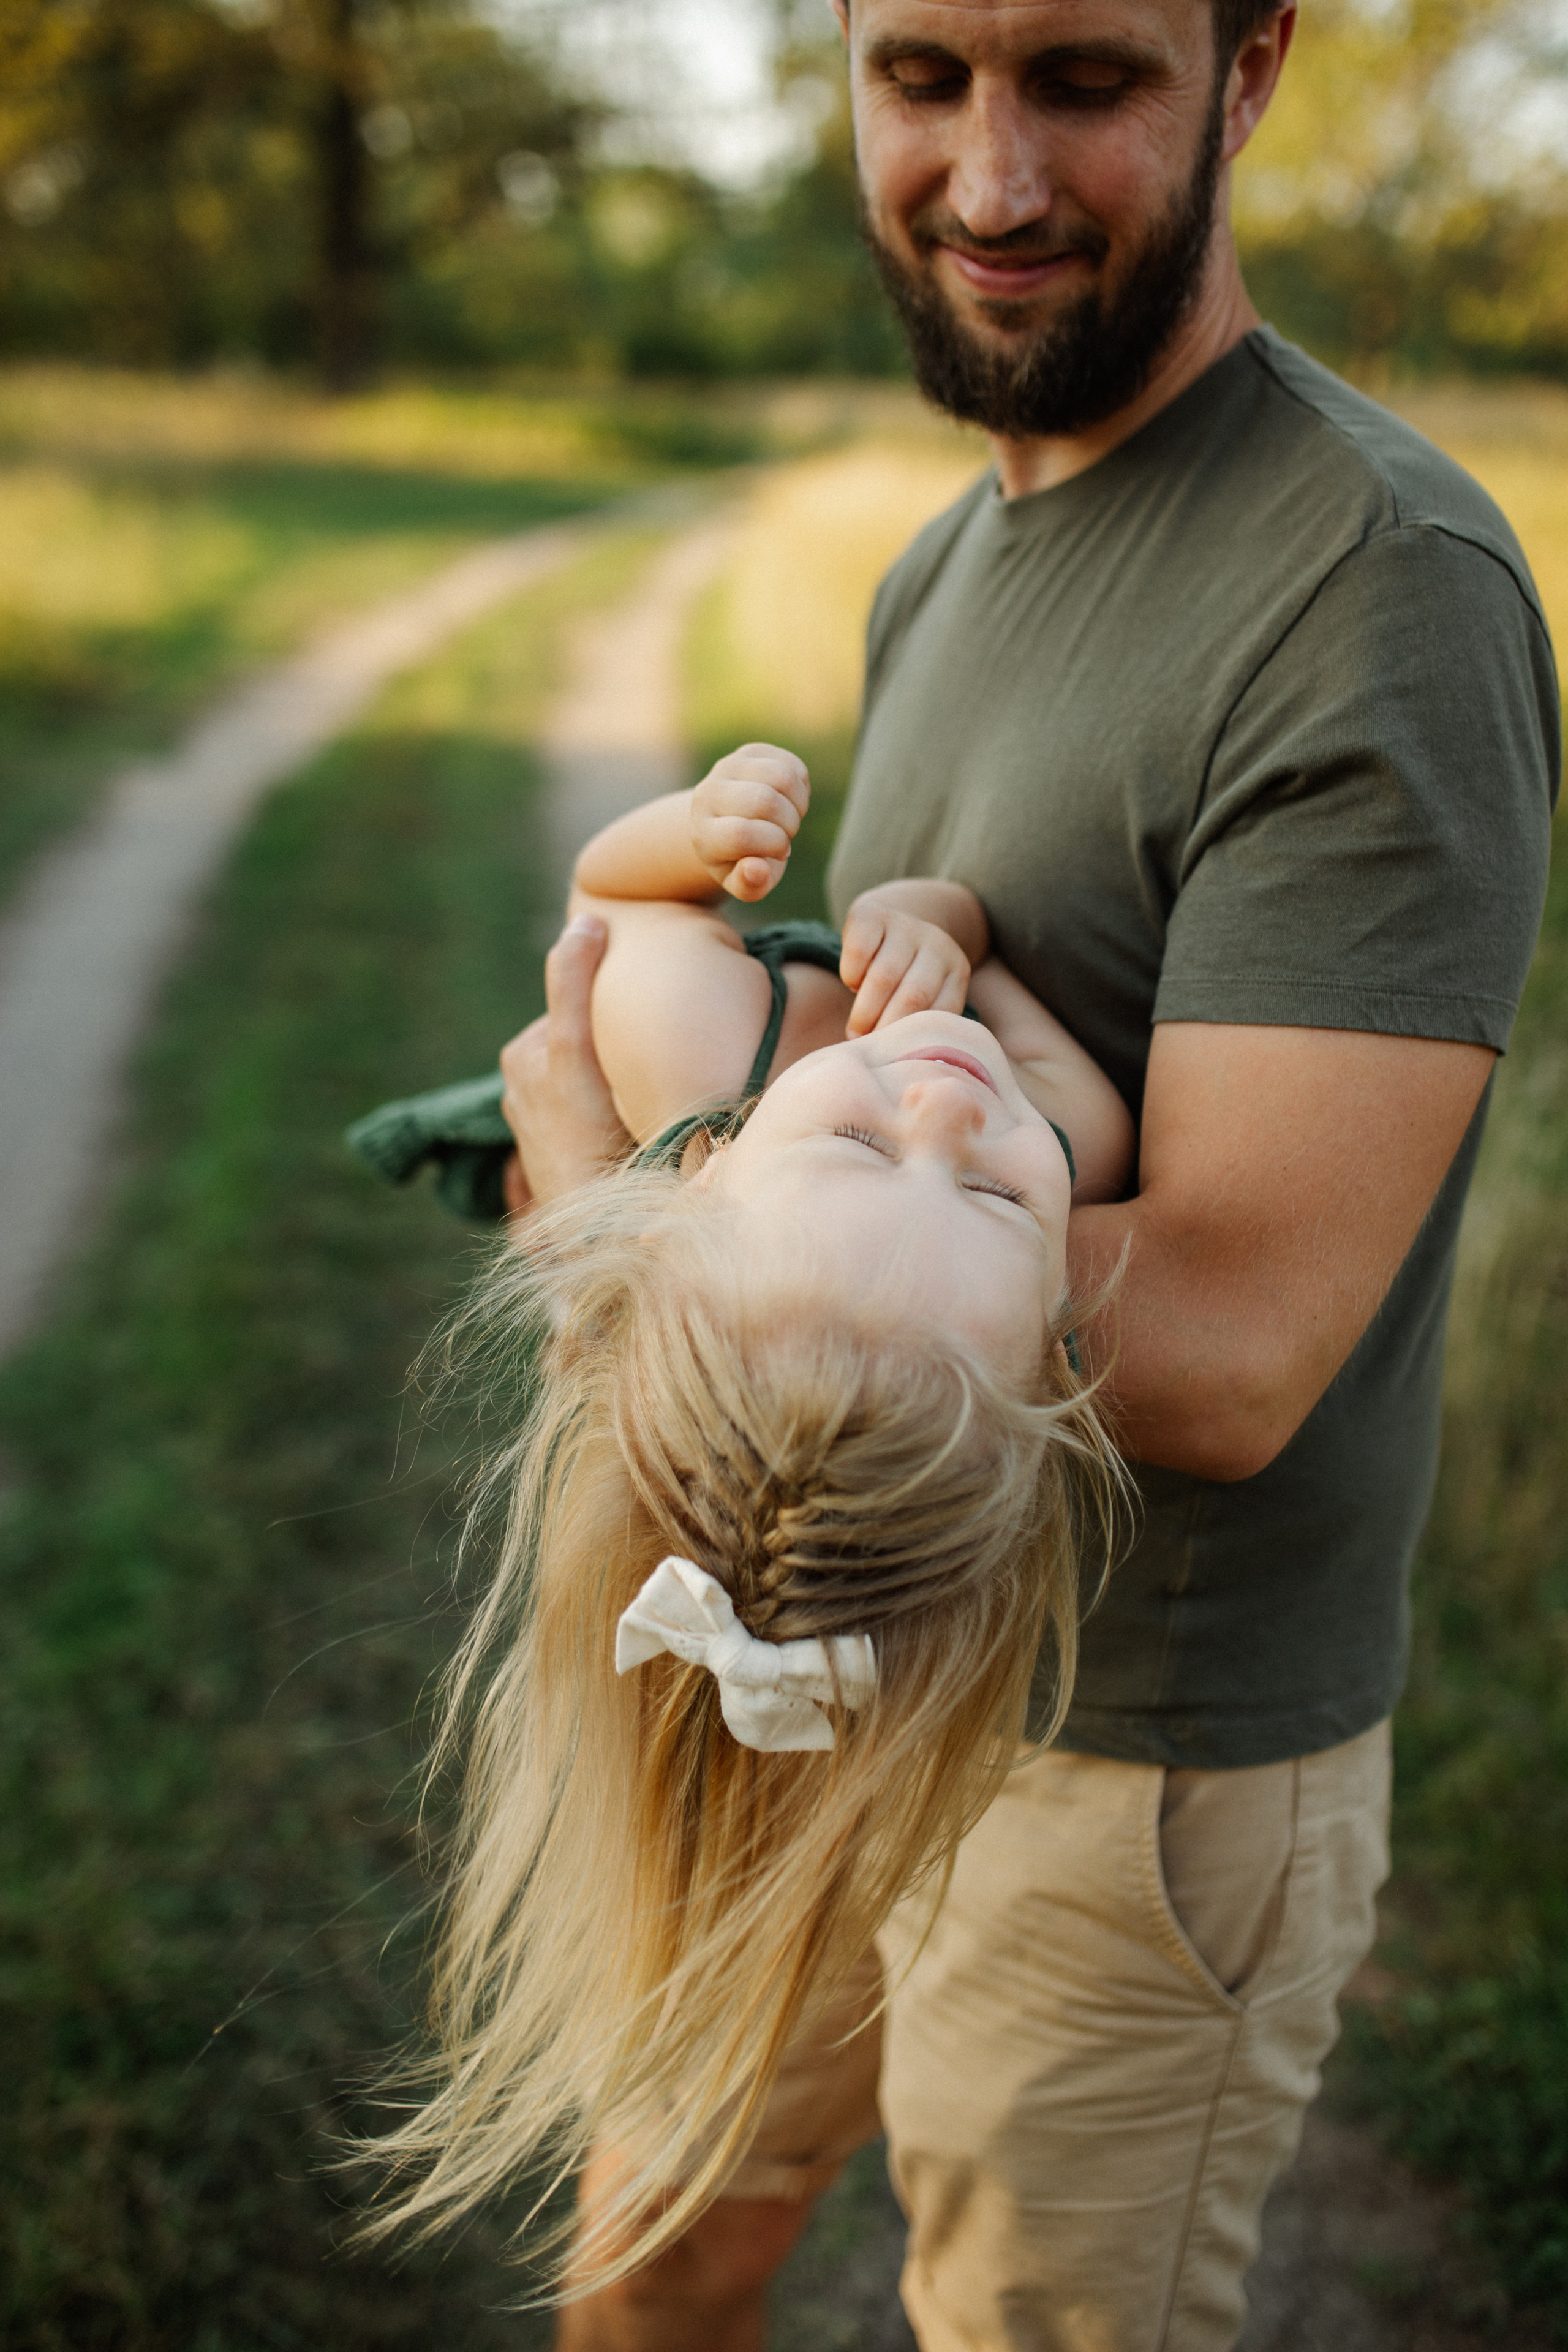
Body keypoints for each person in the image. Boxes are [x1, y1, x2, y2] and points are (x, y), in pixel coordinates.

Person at [498, 0, 1561, 2347]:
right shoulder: (949, 563)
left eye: (1082, 77)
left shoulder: (1373, 585)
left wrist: (647, 1212)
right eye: (921, 80)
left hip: (1138, 1760)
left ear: (1252, 63)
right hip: (814, 1649)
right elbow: (875, 1046)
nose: (987, 179)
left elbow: (1227, 1346)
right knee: (664, 2205)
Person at [361, 755, 1132, 2291]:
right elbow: (985, 989)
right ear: (1057, 1334)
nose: (940, 1107)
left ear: (696, 1180)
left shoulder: (704, 1043)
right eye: (997, 1202)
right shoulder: (1075, 1146)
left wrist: (690, 837)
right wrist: (936, 925)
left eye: (855, 1145)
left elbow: (605, 894)